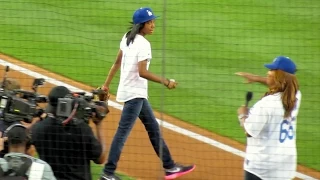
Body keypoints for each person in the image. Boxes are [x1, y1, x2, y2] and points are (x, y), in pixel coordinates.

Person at [99, 7, 195, 180]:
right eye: (149, 22)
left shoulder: (127, 37)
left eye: (153, 21)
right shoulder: (144, 44)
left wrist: (106, 85)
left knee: (153, 129)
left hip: (134, 92)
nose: (153, 25)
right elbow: (142, 72)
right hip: (134, 94)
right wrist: (166, 81)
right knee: (122, 133)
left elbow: (116, 63)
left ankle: (170, 166)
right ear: (141, 25)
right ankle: (108, 173)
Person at [235, 56, 301, 180]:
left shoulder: (266, 104)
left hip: (262, 167)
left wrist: (242, 115)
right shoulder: (295, 95)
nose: (268, 72)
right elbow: (284, 83)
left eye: (272, 70)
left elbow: (249, 131)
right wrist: (256, 78)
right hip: (286, 163)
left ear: (279, 76)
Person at [31, 86, 107, 180]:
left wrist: (40, 118)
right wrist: (99, 125)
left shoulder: (38, 129)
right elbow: (100, 159)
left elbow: (25, 141)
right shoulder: (82, 129)